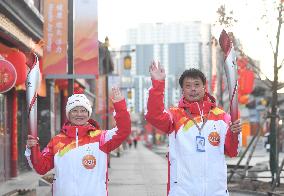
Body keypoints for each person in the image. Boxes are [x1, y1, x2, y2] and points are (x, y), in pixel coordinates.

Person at [145, 62, 242, 196]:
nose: (193, 89)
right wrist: (158, 84)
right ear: (183, 90)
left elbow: (232, 151)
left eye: (197, 84)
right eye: (188, 86)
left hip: (216, 191)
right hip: (182, 191)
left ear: (204, 87)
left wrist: (235, 133)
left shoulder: (222, 118)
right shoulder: (175, 116)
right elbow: (154, 115)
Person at [25, 87, 131, 196]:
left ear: (88, 114)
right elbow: (41, 168)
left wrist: (120, 106)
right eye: (74, 110)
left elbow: (124, 130)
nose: (79, 114)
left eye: (83, 110)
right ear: (68, 114)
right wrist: (32, 149)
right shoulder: (57, 141)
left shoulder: (101, 138)